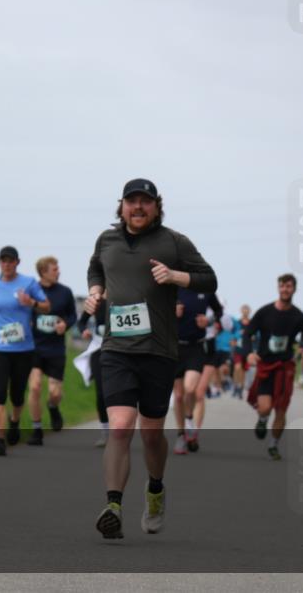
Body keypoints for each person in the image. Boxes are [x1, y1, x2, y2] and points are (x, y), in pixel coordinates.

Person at [86, 178, 216, 538]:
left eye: (145, 202)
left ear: (157, 206)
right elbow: (96, 267)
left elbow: (210, 279)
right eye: (132, 202)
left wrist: (176, 276)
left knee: (152, 434)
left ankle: (155, 488)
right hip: (116, 349)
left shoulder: (174, 242)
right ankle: (113, 504)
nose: (138, 207)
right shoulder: (106, 239)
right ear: (122, 205)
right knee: (121, 426)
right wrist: (95, 291)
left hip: (158, 352)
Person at [0, 245, 50, 455]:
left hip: (23, 349)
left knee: (17, 395)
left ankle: (15, 421)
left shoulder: (28, 283)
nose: (6, 264)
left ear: (17, 262)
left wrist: (31, 302)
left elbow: (47, 306)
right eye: (3, 261)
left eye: (10, 261)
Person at [243, 274, 303, 460]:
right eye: (282, 286)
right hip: (266, 366)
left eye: (288, 286)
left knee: (281, 409)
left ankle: (274, 444)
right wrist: (249, 352)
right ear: (278, 288)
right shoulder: (265, 312)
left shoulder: (299, 317)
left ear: (294, 289)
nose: (285, 290)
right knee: (264, 407)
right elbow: (248, 333)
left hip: (285, 368)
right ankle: (262, 419)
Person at [28, 256, 77, 444]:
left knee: (55, 393)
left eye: (58, 268)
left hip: (56, 349)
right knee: (35, 387)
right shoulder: (33, 292)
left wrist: (66, 324)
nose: (59, 271)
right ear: (43, 272)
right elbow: (24, 311)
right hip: (35, 347)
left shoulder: (65, 292)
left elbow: (73, 315)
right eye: (55, 269)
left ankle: (52, 407)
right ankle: (36, 430)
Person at [172, 288, 223, 454]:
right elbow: (156, 310)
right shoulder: (172, 288)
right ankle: (181, 435)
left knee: (191, 388)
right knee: (178, 396)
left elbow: (219, 310)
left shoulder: (205, 289)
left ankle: (189, 423)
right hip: (175, 347)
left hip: (196, 347)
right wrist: (171, 311)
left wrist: (208, 320)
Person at [77, 298, 108, 446]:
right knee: (101, 393)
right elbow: (81, 322)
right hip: (99, 349)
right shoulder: (97, 301)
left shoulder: (126, 296)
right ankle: (105, 431)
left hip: (122, 350)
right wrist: (84, 331)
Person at [231, 305, 252, 399]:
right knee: (237, 367)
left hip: (248, 349)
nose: (245, 311)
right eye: (244, 309)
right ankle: (236, 385)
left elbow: (257, 335)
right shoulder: (237, 323)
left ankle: (241, 388)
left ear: (249, 311)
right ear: (241, 311)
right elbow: (232, 334)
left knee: (243, 370)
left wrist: (253, 337)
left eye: (247, 309)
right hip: (238, 349)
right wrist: (233, 340)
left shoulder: (252, 323)